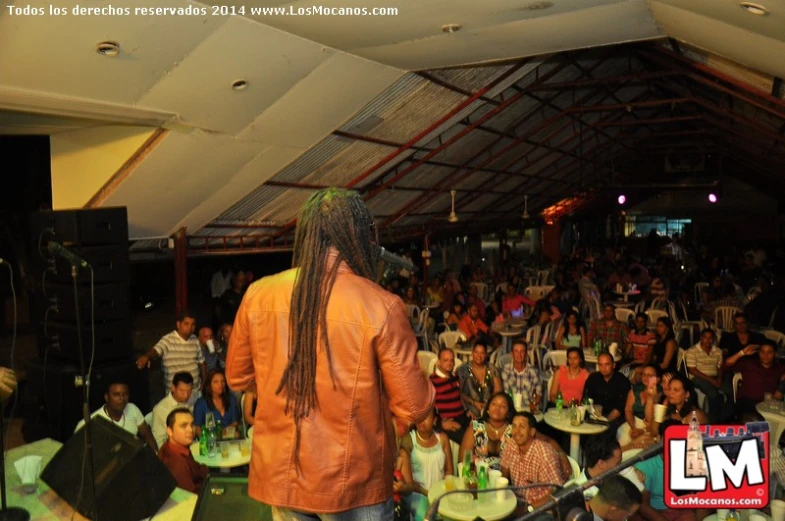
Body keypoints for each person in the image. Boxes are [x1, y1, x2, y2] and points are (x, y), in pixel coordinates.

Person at [225, 187, 434, 519]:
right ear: (360, 236)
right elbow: (413, 406)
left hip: (284, 474)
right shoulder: (380, 304)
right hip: (354, 481)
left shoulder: (258, 294)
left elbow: (237, 376)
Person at [501, 412, 567, 510]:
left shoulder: (544, 454)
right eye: (514, 426)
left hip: (541, 510)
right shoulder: (511, 445)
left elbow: (556, 491)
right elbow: (504, 472)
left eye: (522, 427)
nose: (516, 431)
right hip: (516, 504)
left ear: (532, 432)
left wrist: (529, 508)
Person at [136, 310, 206, 399]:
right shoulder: (168, 340)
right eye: (186, 323)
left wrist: (204, 382)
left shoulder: (195, 339)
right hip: (175, 395)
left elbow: (202, 363)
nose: (190, 327)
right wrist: (146, 356)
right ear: (178, 324)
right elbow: (156, 350)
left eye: (193, 324)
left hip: (195, 392)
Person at [635, 420, 696, 521]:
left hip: (681, 508)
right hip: (655, 511)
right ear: (659, 439)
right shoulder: (646, 465)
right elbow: (643, 507)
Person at [75, 381, 157, 452]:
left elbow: (147, 435)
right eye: (116, 395)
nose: (122, 398)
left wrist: (156, 455)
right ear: (107, 397)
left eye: (125, 394)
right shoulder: (89, 423)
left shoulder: (133, 409)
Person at [399, 408, 453, 498]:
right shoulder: (409, 440)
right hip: (418, 495)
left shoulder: (443, 439)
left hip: (440, 493)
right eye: (419, 416)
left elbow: (449, 469)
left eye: (426, 417)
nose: (421, 421)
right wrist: (428, 494)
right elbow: (409, 481)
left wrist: (443, 490)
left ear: (434, 420)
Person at [685, 329, 732, 423]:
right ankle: (713, 421)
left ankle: (725, 418)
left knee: (730, 392)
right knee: (713, 394)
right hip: (698, 377)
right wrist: (711, 380)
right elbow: (692, 370)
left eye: (711, 338)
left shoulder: (718, 351)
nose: (708, 340)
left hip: (714, 376)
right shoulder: (692, 351)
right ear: (701, 338)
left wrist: (719, 378)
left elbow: (720, 367)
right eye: (705, 337)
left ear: (714, 339)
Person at [158, 408, 209, 494]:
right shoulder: (177, 464)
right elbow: (190, 497)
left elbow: (196, 469)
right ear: (169, 431)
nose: (190, 430)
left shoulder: (171, 446)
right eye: (183, 426)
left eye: (192, 424)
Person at [725, 340, 785, 414]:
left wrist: (781, 387)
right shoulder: (750, 364)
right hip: (746, 402)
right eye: (762, 352)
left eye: (769, 352)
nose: (765, 355)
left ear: (775, 354)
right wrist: (742, 353)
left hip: (767, 404)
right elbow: (726, 365)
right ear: (758, 353)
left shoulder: (779, 368)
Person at [430, 348, 470, 445]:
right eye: (445, 360)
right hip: (448, 421)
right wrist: (440, 423)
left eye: (451, 360)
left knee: (481, 432)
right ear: (439, 362)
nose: (450, 363)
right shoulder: (432, 381)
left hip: (463, 417)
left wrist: (468, 410)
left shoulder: (454, 377)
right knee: (469, 441)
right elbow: (426, 409)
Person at [584, 352, 631, 431]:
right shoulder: (593, 378)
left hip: (615, 417)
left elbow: (620, 408)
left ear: (613, 365)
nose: (603, 368)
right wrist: (593, 417)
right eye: (601, 365)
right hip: (595, 414)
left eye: (607, 364)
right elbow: (587, 399)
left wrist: (604, 421)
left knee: (606, 432)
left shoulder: (623, 381)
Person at [618, 364, 660, 448]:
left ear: (657, 379)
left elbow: (649, 419)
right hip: (634, 421)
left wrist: (650, 397)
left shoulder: (659, 393)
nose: (645, 377)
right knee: (621, 433)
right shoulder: (635, 390)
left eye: (649, 375)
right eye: (644, 374)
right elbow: (628, 410)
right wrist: (633, 427)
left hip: (649, 426)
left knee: (637, 442)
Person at [457, 342, 502, 419]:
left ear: (486, 355)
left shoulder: (492, 369)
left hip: (490, 408)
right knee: (478, 428)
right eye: (476, 352)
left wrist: (489, 405)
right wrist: (474, 403)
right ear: (472, 353)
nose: (479, 356)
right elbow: (458, 392)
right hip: (470, 409)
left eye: (482, 353)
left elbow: (498, 390)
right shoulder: (463, 369)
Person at [151, 371, 195, 448]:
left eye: (189, 391)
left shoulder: (193, 399)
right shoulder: (162, 409)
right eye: (182, 391)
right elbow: (159, 440)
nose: (186, 395)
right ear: (173, 388)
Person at [193, 369, 240, 436]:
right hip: (210, 438)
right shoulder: (201, 403)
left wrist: (223, 433)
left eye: (222, 381)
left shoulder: (231, 398)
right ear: (209, 384)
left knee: (236, 434)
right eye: (215, 382)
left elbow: (235, 422)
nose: (220, 384)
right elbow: (198, 428)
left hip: (228, 435)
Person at [501, 340, 541, 409]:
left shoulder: (533, 371)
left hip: (528, 408)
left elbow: (538, 394)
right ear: (512, 354)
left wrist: (534, 404)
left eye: (522, 351)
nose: (519, 355)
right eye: (516, 351)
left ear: (526, 354)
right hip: (510, 408)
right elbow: (504, 393)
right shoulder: (506, 370)